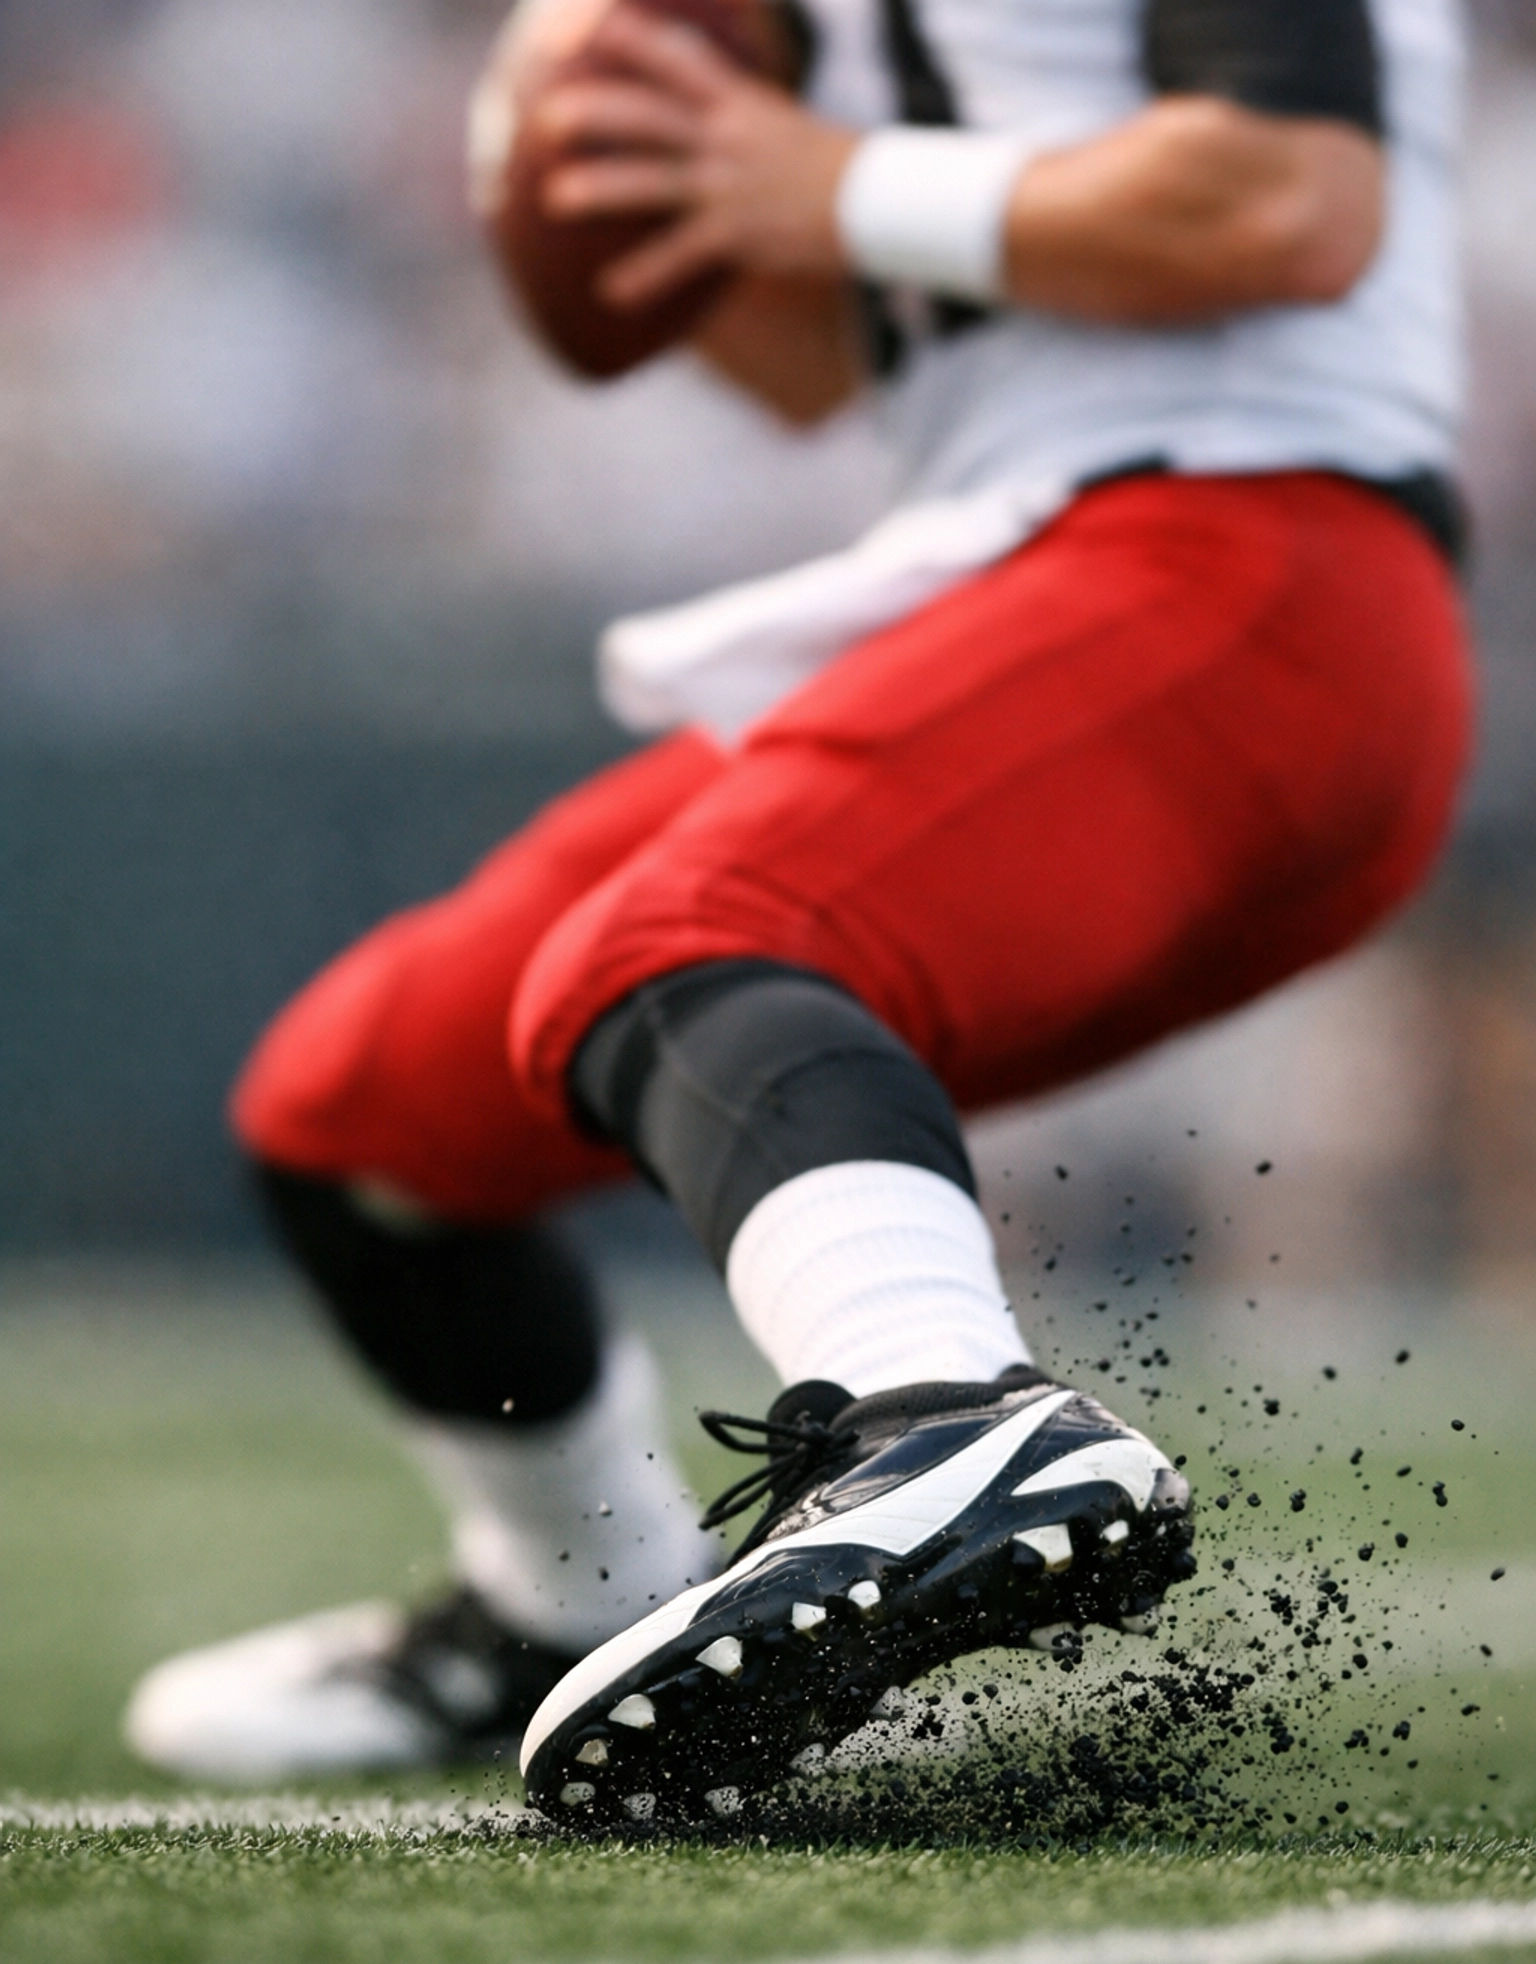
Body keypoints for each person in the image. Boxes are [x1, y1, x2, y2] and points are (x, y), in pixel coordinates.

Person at [126, 0, 1470, 1822]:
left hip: (1259, 572)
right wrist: (630, 179)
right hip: (1026, 576)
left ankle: (946, 1418)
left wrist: (822, 171)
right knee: (362, 1112)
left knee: (674, 943)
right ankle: (575, 1599)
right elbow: (817, 363)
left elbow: (1286, 206)